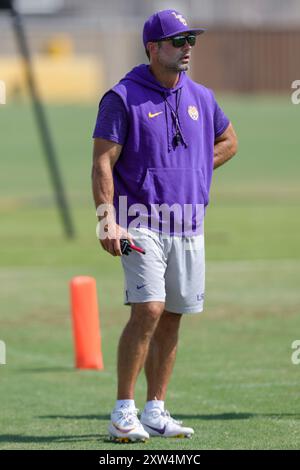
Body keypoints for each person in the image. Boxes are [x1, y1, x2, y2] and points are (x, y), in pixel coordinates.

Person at [92, 9, 238, 443]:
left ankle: (155, 409)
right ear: (153, 48)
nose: (187, 46)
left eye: (190, 38)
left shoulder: (202, 97)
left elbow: (229, 141)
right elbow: (103, 160)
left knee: (173, 316)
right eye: (177, 40)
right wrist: (106, 219)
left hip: (189, 223)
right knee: (149, 309)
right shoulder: (122, 97)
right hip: (140, 222)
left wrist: (195, 170)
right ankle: (123, 410)